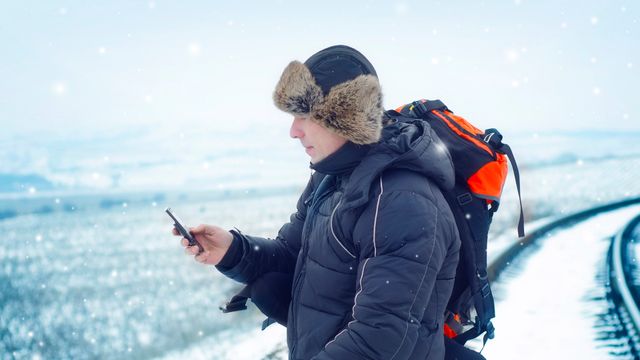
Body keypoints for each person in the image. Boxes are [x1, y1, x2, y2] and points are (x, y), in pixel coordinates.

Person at [173, 45, 461, 360]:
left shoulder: (402, 201)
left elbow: (379, 340)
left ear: (342, 118)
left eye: (303, 116)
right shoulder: (333, 179)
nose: (293, 131)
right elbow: (291, 256)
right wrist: (232, 250)